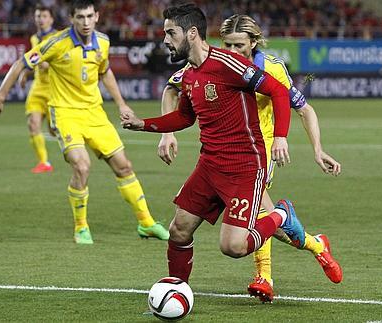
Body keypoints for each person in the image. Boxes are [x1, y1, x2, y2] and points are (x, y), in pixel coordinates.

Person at [121, 3, 335, 292]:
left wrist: (281, 137)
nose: (165, 40)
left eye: (170, 33)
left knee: (233, 246)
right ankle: (177, 289)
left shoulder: (228, 64)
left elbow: (277, 91)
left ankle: (282, 215)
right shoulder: (189, 74)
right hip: (210, 164)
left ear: (192, 33)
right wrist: (144, 124)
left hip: (245, 165)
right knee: (178, 229)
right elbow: (184, 116)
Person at [0, 0, 169, 244]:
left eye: (89, 16)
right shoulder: (56, 43)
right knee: (82, 166)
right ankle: (81, 227)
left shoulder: (102, 41)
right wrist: (0, 97)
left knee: (124, 166)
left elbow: (105, 72)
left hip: (94, 113)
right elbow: (21, 63)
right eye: (80, 17)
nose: (85, 22)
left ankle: (146, 223)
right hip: (64, 113)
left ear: (97, 17)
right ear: (72, 18)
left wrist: (121, 103)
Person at [18, 4, 57, 174]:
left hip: (55, 89)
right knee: (33, 124)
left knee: (54, 130)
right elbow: (33, 60)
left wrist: (50, 64)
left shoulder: (58, 38)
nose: (40, 20)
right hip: (38, 88)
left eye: (44, 16)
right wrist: (26, 74)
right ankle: (44, 162)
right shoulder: (34, 38)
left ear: (51, 19)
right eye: (38, 16)